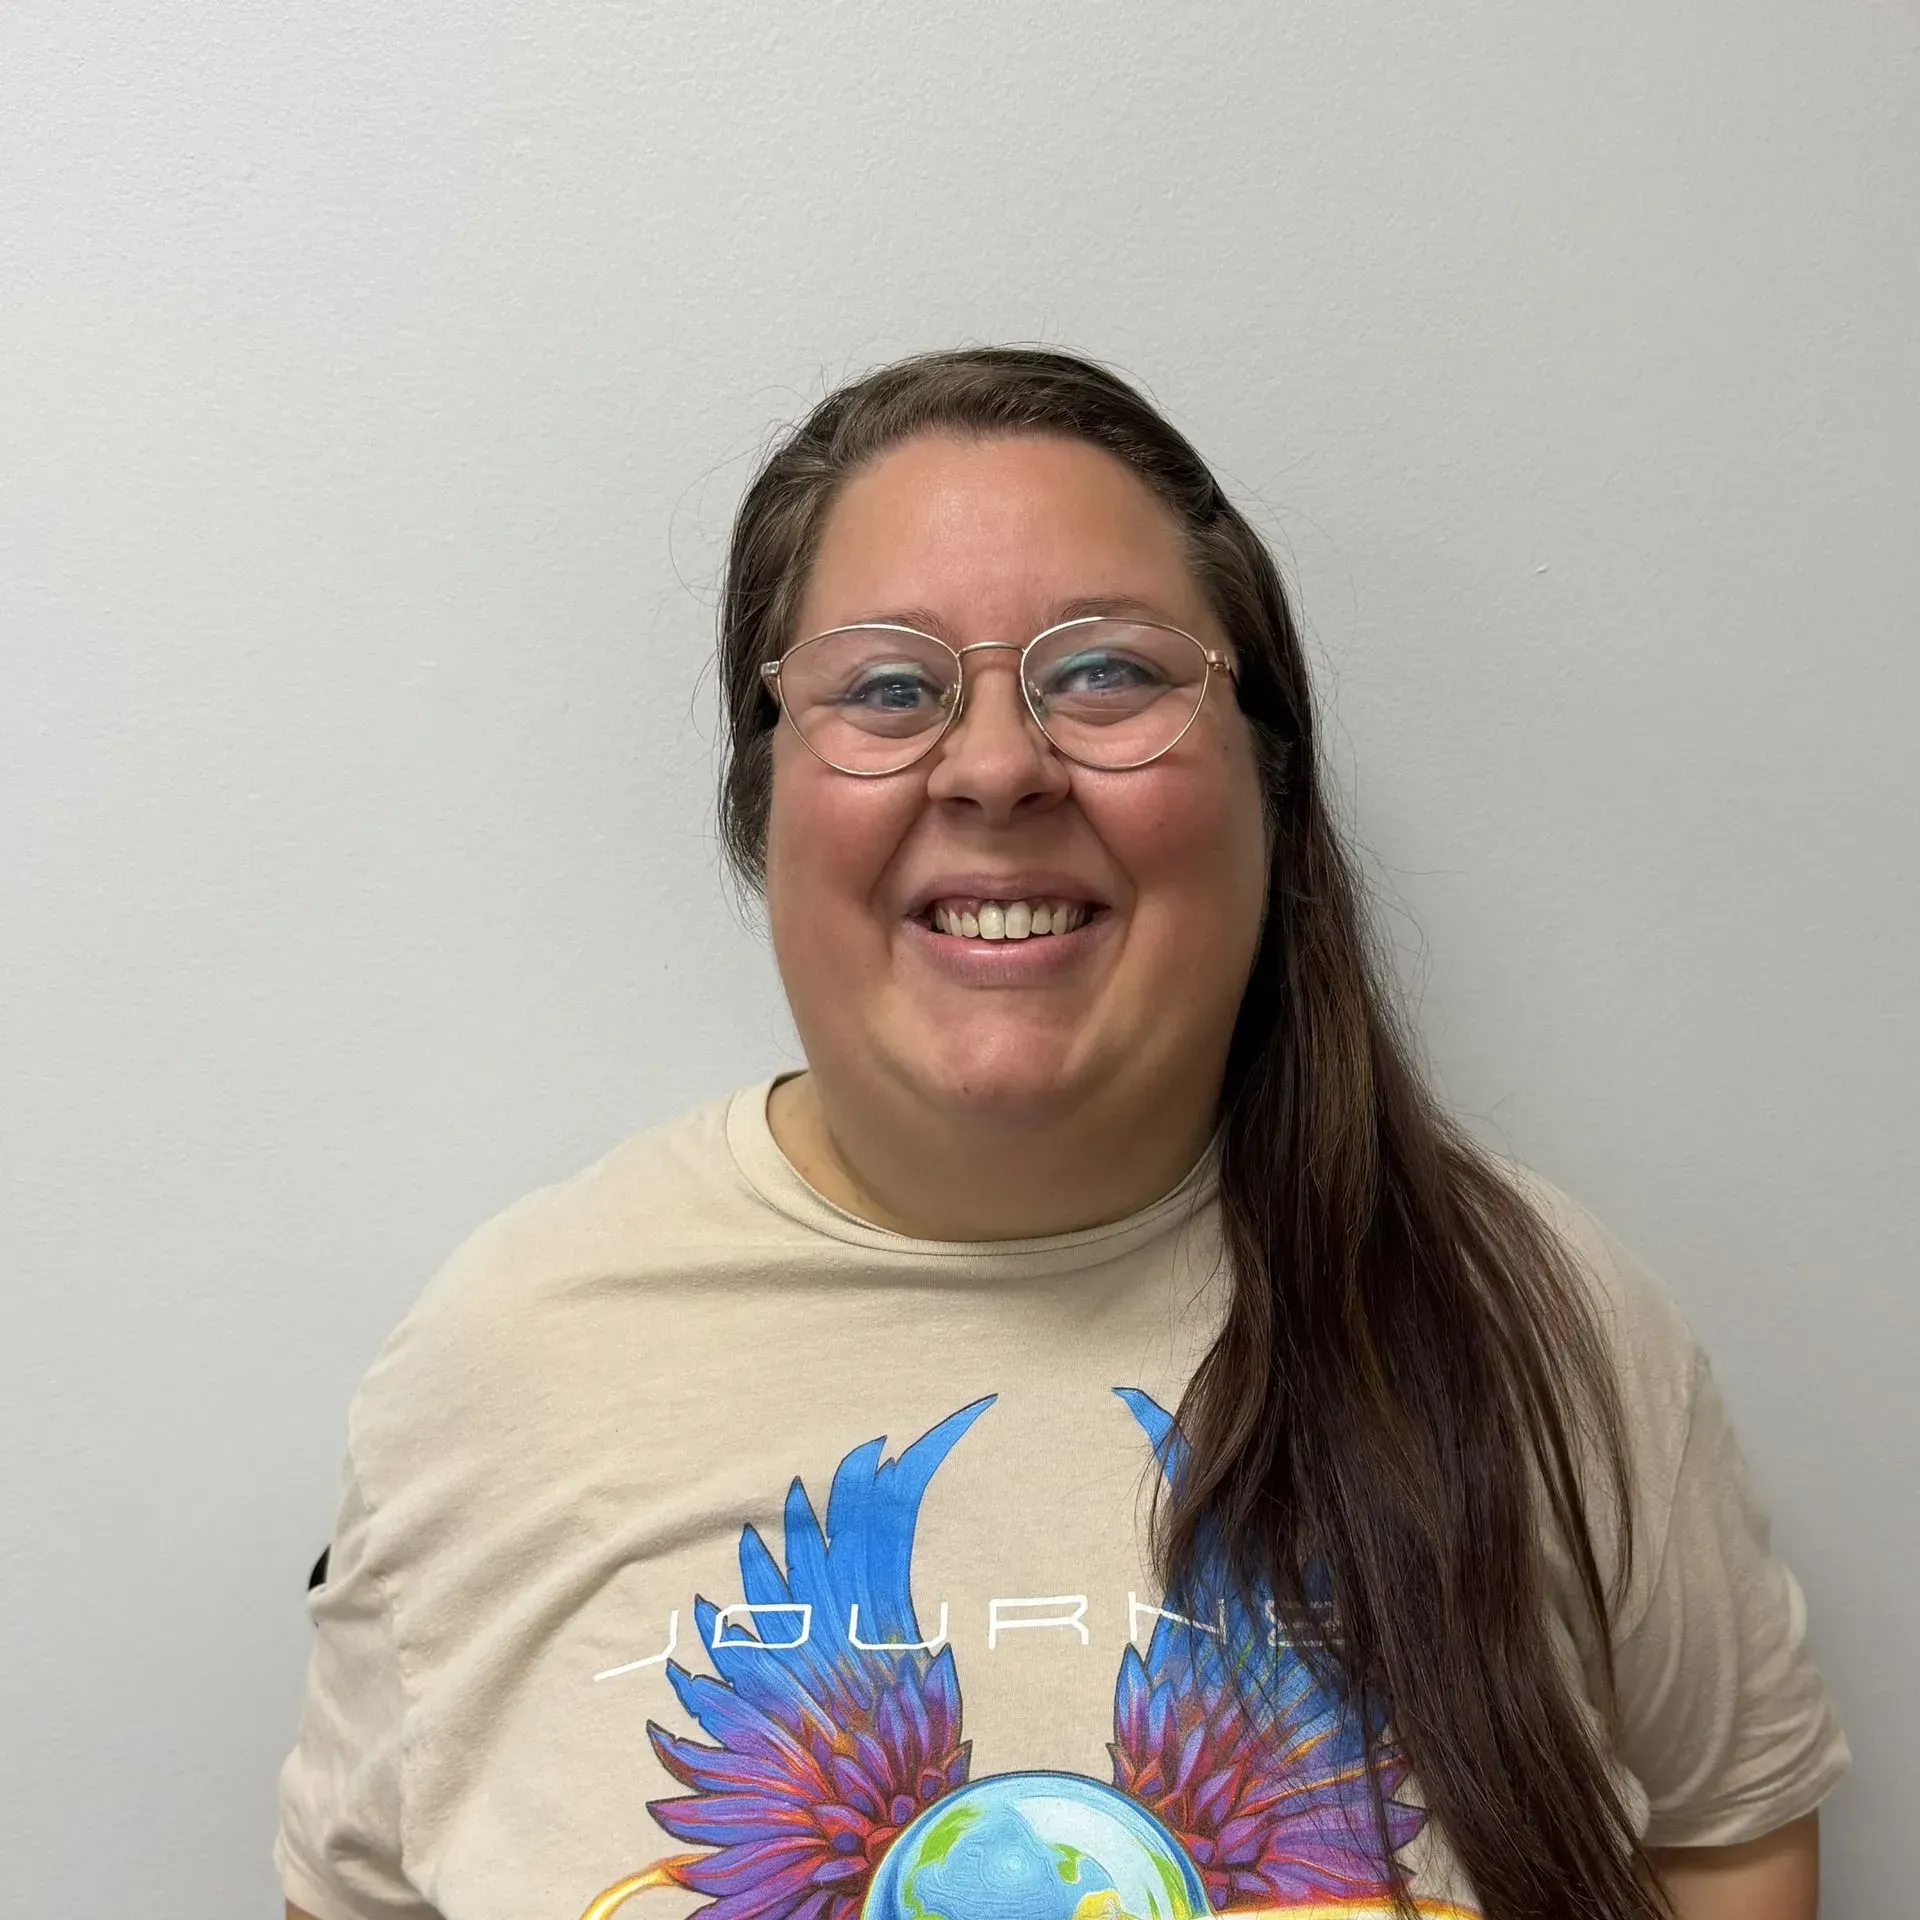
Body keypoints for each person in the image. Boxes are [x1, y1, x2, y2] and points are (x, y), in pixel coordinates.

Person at [275, 346, 1849, 1920]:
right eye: (889, 688)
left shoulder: (1547, 1330)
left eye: (1106, 673)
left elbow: (1722, 1834)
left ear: (1269, 782)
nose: (997, 766)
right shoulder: (497, 1372)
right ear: (765, 805)